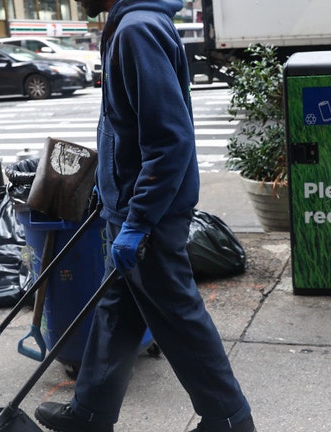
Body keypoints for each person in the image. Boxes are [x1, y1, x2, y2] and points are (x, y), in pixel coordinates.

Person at [33, 1, 256, 432]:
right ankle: (90, 414)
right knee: (116, 310)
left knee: (178, 317)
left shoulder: (137, 30)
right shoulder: (130, 25)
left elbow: (169, 139)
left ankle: (228, 419)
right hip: (132, 205)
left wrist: (137, 222)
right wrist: (107, 186)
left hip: (149, 215)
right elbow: (126, 127)